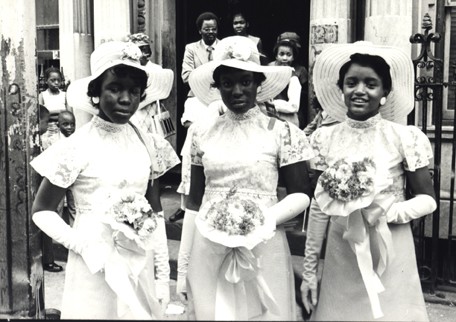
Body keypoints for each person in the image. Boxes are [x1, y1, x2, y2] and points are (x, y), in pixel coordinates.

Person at [30, 41, 180, 319]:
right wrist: (83, 245)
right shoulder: (76, 145)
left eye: (134, 92)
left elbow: (155, 210)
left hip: (138, 257)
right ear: (96, 92)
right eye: (114, 89)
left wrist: (162, 276)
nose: (125, 99)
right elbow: (42, 211)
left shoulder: (148, 143)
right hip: (93, 261)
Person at [176, 36, 314, 320]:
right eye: (227, 83)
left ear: (258, 83)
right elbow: (193, 202)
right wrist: (182, 271)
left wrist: (261, 222)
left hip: (263, 242)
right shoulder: (202, 132)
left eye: (245, 82)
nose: (236, 90)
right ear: (218, 87)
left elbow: (301, 193)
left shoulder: (281, 131)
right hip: (209, 242)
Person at [300, 41, 437, 321]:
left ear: (384, 92)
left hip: (390, 248)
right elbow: (318, 207)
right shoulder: (324, 138)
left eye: (371, 84)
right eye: (352, 82)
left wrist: (391, 211)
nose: (360, 90)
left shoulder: (403, 137)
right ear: (341, 88)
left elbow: (428, 200)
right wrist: (310, 271)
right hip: (342, 251)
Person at [170, 11, 221, 222]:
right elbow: (185, 76)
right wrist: (207, 74)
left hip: (218, 98)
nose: (210, 32)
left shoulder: (224, 46)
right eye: (206, 29)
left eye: (213, 29)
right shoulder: (191, 49)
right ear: (200, 30)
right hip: (196, 100)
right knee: (192, 149)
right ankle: (186, 203)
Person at [126, 33, 175, 136]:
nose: (145, 53)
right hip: (135, 110)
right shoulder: (130, 69)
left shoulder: (157, 69)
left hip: (151, 109)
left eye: (146, 49)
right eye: (141, 49)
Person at [267, 32, 308, 128]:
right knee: (270, 131)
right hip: (271, 115)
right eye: (281, 54)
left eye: (288, 55)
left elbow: (294, 105)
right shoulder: (269, 69)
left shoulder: (294, 75)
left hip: (287, 117)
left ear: (293, 57)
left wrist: (273, 104)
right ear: (276, 56)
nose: (284, 58)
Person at [39, 67, 68, 150]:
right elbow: (42, 117)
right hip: (47, 133)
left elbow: (69, 116)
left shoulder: (65, 95)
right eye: (53, 80)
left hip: (63, 131)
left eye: (58, 80)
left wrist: (49, 113)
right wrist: (61, 112)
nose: (56, 83)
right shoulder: (42, 96)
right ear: (46, 80)